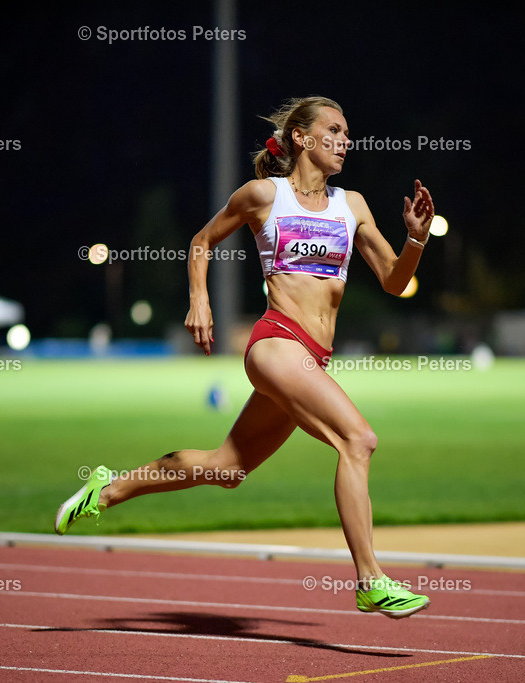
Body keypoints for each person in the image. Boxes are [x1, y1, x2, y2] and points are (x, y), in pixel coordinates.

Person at [55, 96, 435, 619]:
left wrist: (415, 240)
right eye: (335, 130)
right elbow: (201, 241)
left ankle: (108, 487)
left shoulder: (354, 206)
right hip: (276, 343)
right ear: (302, 138)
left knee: (227, 468)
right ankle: (370, 578)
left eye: (348, 132)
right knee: (358, 439)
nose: (346, 140)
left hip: (312, 358)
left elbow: (395, 282)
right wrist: (199, 299)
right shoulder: (263, 195)